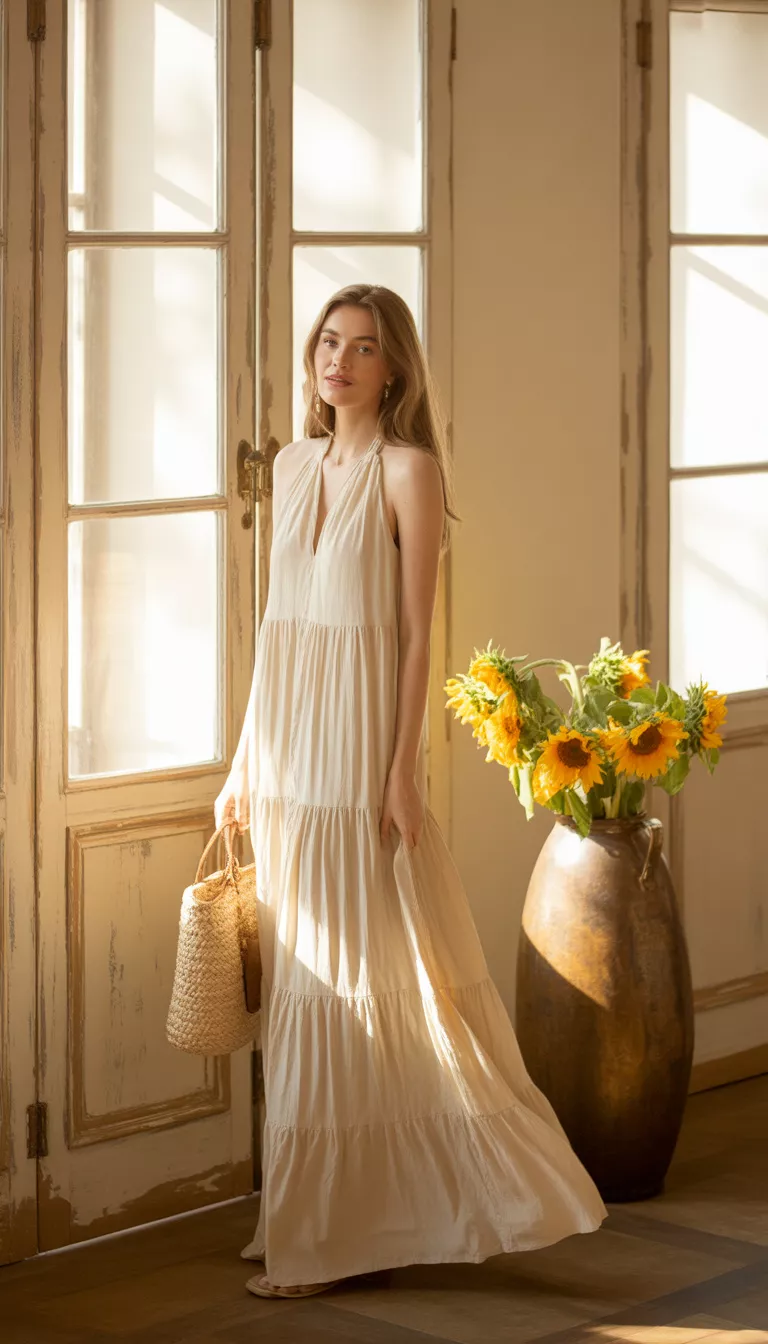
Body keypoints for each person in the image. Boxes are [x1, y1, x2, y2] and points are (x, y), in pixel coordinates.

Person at [214, 283, 608, 1301]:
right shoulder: (294, 466)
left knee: (366, 980)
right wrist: (242, 766)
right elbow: (276, 637)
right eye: (328, 344)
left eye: (363, 348)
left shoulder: (409, 472)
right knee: (310, 986)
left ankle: (335, 1232)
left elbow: (419, 638)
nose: (339, 362)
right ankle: (311, 1219)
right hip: (293, 764)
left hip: (358, 763)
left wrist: (402, 771)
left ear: (395, 369)